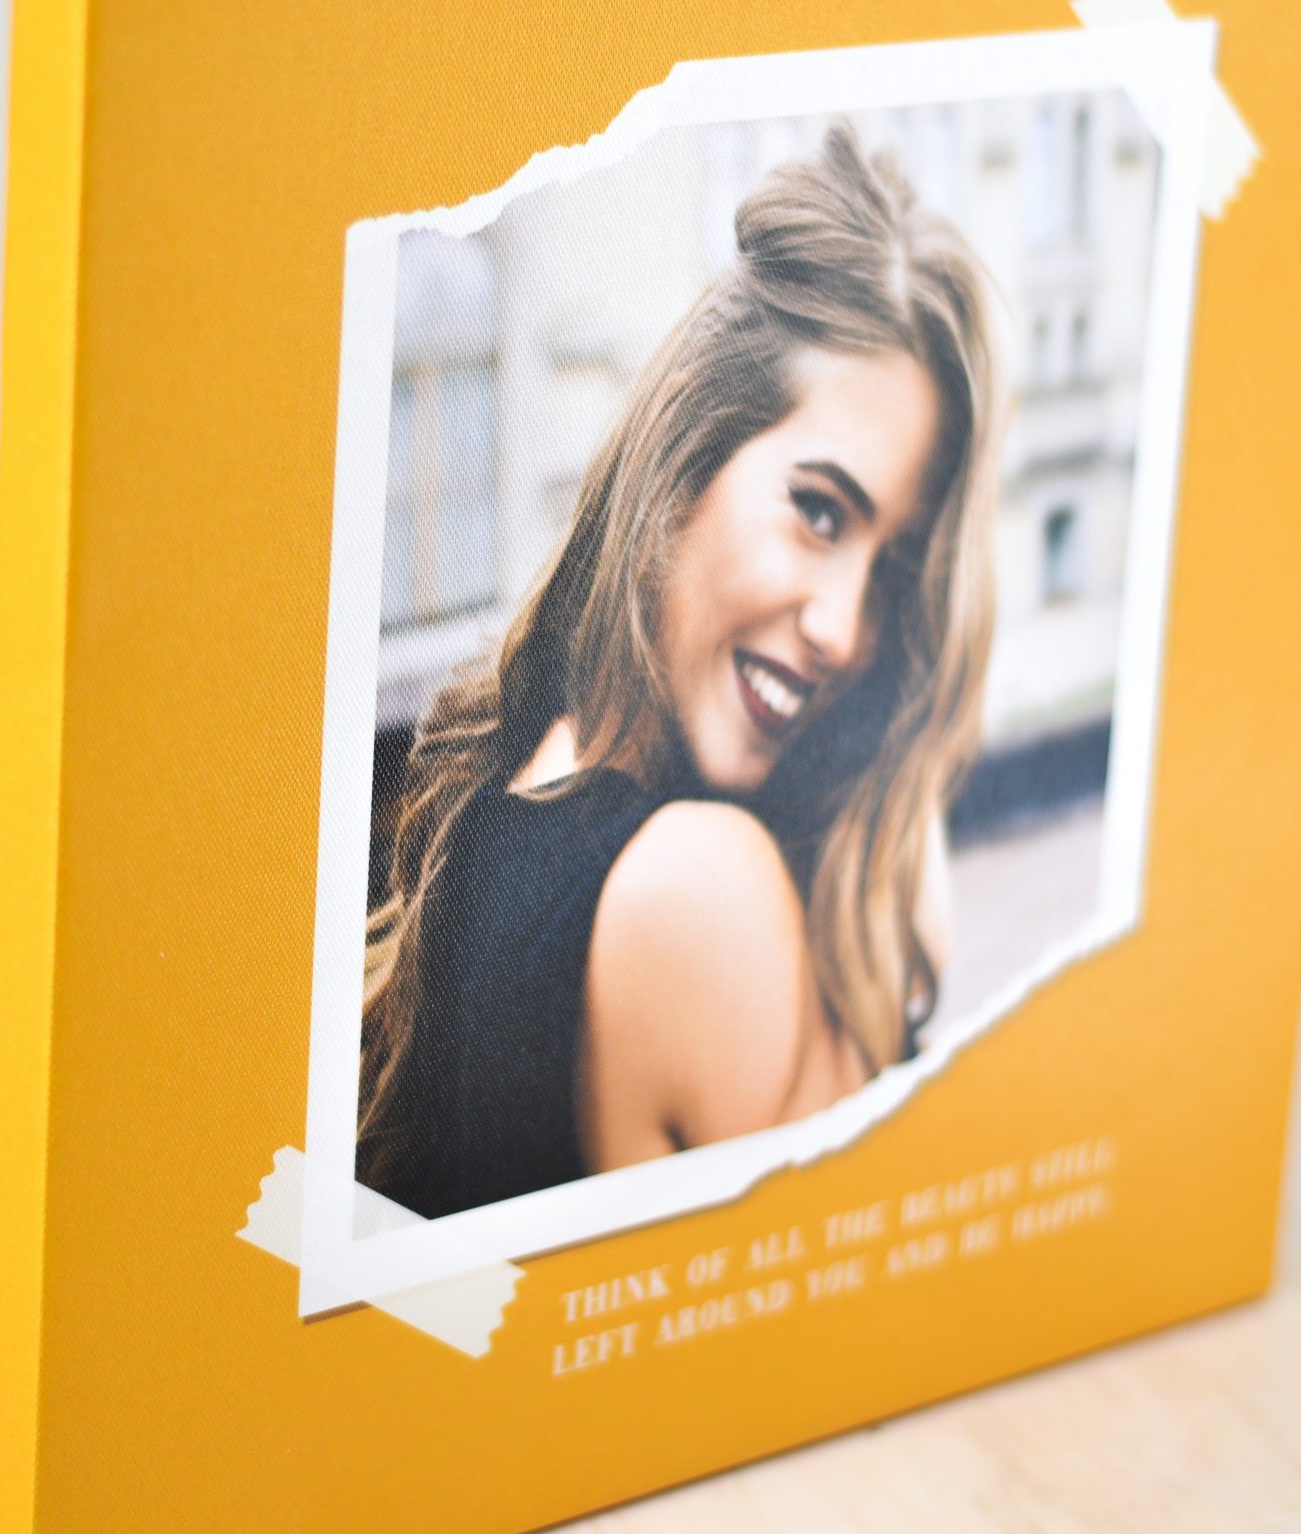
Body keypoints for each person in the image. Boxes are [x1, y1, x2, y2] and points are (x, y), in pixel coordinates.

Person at [357, 123, 1001, 1219]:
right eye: (818, 511)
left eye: (890, 572)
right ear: (687, 460)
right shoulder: (700, 886)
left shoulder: (507, 792)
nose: (845, 629)